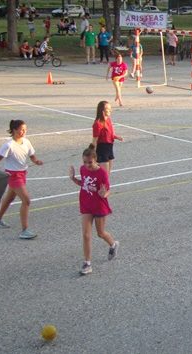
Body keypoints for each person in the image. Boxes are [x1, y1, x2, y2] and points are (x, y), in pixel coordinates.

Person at [0, 119, 44, 239]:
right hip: (13, 176)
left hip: (22, 174)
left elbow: (32, 156)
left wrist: (36, 161)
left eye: (25, 130)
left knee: (9, 198)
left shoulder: (26, 142)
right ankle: (25, 230)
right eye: (21, 129)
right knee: (26, 200)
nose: (24, 132)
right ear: (14, 130)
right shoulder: (8, 145)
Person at [68, 145, 119, 276]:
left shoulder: (102, 173)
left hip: (99, 205)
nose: (87, 165)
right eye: (84, 162)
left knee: (100, 233)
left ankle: (113, 244)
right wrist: (74, 179)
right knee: (86, 235)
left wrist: (104, 194)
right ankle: (87, 263)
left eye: (90, 162)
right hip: (86, 205)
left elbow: (107, 190)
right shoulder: (83, 169)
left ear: (95, 160)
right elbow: (84, 184)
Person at [91, 101, 124, 173]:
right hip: (102, 149)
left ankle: (105, 184)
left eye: (110, 108)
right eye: (108, 109)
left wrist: (116, 137)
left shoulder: (108, 119)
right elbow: (94, 141)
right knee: (104, 173)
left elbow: (109, 133)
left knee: (108, 173)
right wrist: (92, 154)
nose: (110, 110)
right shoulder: (98, 124)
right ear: (102, 110)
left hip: (109, 147)